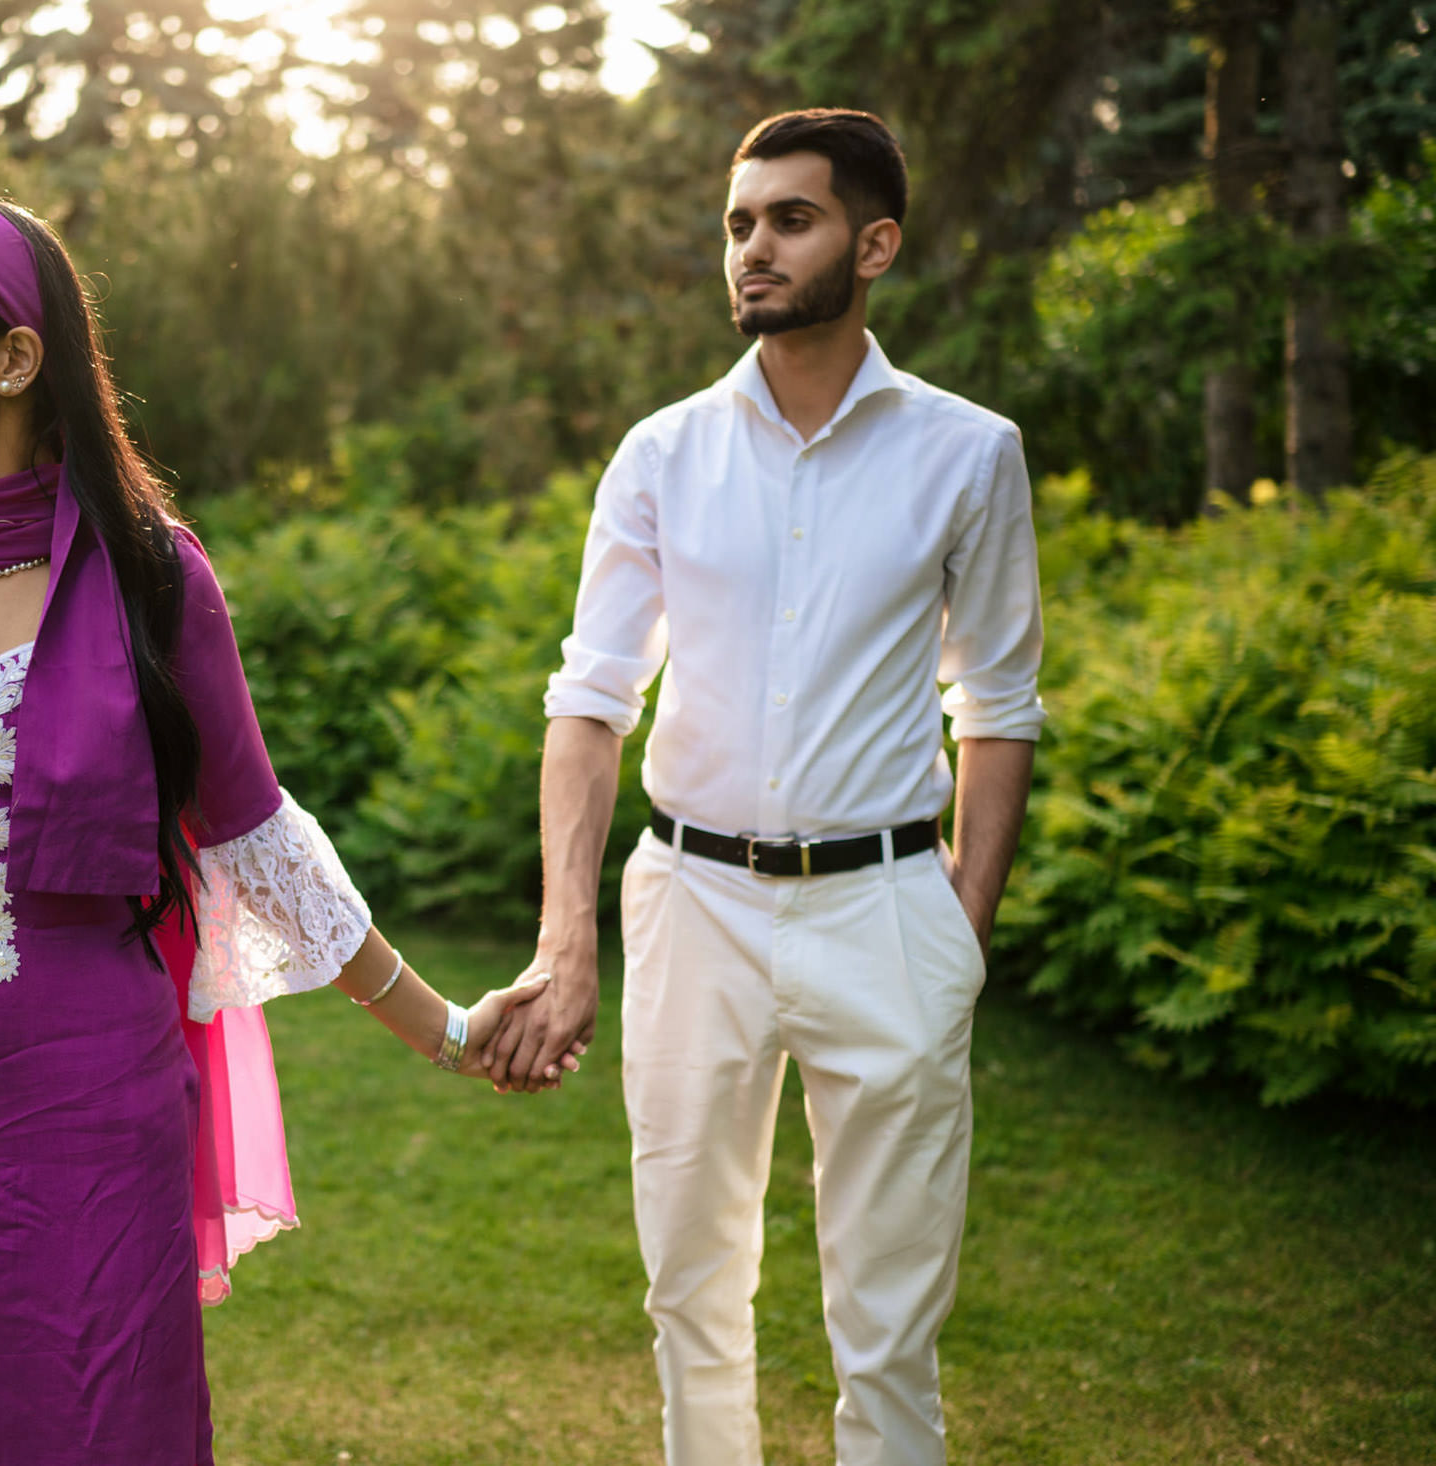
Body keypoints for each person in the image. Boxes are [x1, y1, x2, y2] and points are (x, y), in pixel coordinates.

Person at [0, 197, 578, 1465]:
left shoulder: (150, 574)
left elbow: (256, 843)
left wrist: (453, 1031)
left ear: (14, 358)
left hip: (95, 1121)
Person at [486, 110, 1045, 1466]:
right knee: (689, 1292)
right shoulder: (663, 454)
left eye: (789, 219)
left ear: (875, 242)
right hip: (693, 904)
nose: (752, 247)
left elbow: (1002, 703)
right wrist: (568, 943)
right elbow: (590, 698)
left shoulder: (970, 453)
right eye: (739, 222)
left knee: (891, 1318)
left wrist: (957, 920)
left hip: (891, 910)